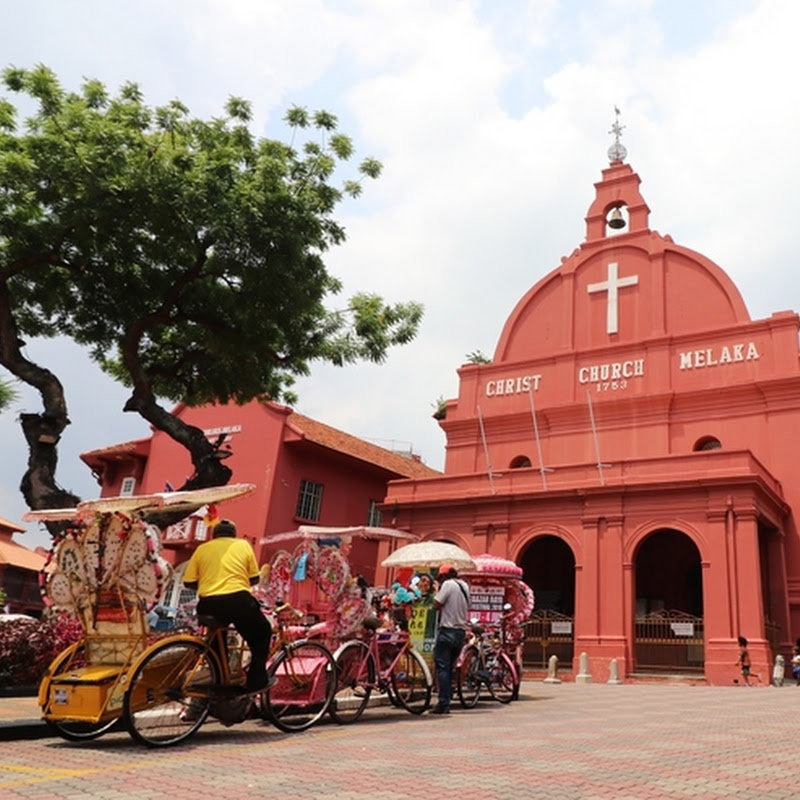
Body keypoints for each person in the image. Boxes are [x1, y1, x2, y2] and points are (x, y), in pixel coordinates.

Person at [183, 518, 273, 693]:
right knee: (262, 633)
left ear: (215, 535)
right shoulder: (243, 545)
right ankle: (256, 680)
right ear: (233, 534)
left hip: (207, 604)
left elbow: (188, 582)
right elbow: (254, 578)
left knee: (217, 645)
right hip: (237, 600)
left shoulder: (202, 548)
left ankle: (220, 681)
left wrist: (208, 584)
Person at [431, 563, 470, 714]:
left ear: (445, 576)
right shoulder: (464, 586)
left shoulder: (447, 585)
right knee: (451, 667)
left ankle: (443, 703)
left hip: (447, 630)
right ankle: (449, 695)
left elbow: (436, 604)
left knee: (442, 667)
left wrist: (436, 591)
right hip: (460, 631)